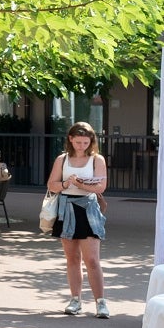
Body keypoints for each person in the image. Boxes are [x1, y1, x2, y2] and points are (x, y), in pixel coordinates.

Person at [46, 122, 109, 317]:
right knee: (72, 257)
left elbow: (101, 187)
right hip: (66, 207)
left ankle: (100, 302)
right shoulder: (62, 159)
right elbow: (52, 184)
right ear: (70, 140)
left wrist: (81, 185)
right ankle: (75, 299)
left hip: (88, 208)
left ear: (91, 142)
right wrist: (66, 183)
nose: (81, 146)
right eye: (78, 142)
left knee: (92, 259)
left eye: (85, 142)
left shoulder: (96, 159)